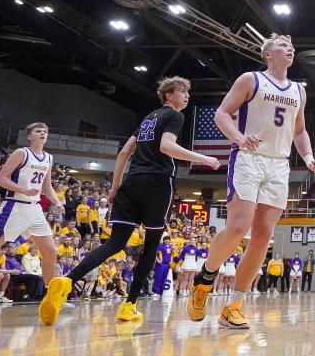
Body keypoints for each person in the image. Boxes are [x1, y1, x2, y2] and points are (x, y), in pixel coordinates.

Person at [39, 77, 219, 325]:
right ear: (168, 95)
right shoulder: (175, 117)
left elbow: (124, 153)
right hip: (157, 183)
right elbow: (167, 146)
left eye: (188, 91)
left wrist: (115, 188)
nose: (187, 95)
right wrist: (203, 159)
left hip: (131, 183)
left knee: (114, 243)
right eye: (182, 91)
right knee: (151, 245)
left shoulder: (147, 119)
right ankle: (129, 306)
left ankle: (67, 280)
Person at [188, 34, 315, 329]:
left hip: (279, 164)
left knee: (263, 236)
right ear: (267, 55)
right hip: (248, 157)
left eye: (291, 45)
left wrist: (309, 156)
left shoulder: (299, 90)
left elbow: (299, 132)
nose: (290, 48)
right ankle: (205, 278)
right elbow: (222, 114)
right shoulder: (250, 79)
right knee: (238, 227)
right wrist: (238, 137)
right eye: (282, 46)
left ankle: (233, 305)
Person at [0, 122, 62, 307]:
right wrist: (23, 189)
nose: (43, 133)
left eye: (45, 131)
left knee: (51, 251)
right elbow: (1, 179)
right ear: (30, 136)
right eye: (38, 131)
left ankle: (51, 298)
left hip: (35, 209)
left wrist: (57, 201)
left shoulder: (48, 158)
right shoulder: (22, 153)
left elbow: (47, 187)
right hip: (14, 207)